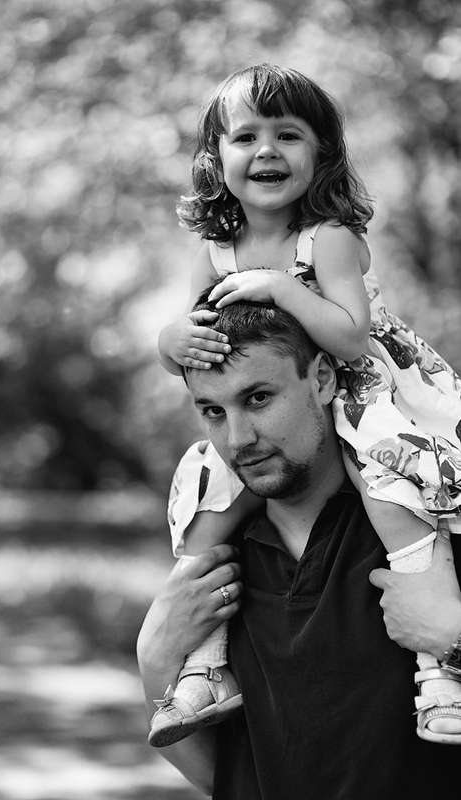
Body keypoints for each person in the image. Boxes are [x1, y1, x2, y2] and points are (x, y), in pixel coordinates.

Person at [150, 62, 461, 747]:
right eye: (246, 137)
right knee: (207, 511)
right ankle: (205, 666)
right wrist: (171, 341)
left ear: (320, 154)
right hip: (276, 404)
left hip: (362, 390)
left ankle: (439, 668)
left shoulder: (328, 239)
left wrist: (283, 288)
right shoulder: (215, 250)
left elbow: (349, 337)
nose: (266, 150)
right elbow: (195, 342)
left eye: (287, 135)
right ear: (217, 159)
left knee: (394, 497)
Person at [138, 296, 461, 799]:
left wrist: (452, 641)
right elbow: (226, 777)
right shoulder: (220, 561)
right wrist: (153, 658)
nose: (238, 439)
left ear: (323, 379)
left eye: (258, 398)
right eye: (213, 411)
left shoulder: (427, 535)